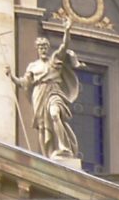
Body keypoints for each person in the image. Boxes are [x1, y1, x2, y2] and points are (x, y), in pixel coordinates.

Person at [12, 20, 81, 161]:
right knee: (43, 127)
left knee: (55, 114)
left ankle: (63, 147)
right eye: (40, 47)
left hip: (54, 91)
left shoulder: (54, 60)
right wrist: (11, 76)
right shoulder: (32, 66)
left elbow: (64, 46)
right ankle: (48, 155)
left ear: (48, 48)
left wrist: (67, 31)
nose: (43, 49)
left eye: (45, 47)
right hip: (39, 93)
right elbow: (23, 82)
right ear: (37, 50)